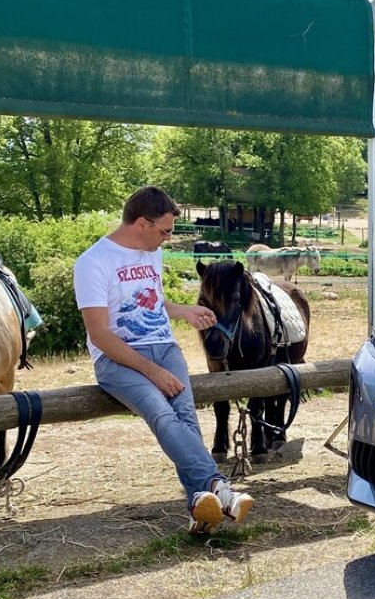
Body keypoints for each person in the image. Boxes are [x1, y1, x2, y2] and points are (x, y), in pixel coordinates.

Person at [73, 185, 253, 533]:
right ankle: (218, 486)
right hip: (118, 360)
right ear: (142, 223)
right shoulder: (93, 263)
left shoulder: (151, 253)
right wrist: (152, 372)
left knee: (186, 418)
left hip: (165, 347)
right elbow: (100, 335)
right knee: (161, 414)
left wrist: (183, 311)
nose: (168, 239)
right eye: (165, 231)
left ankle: (201, 506)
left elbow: (150, 303)